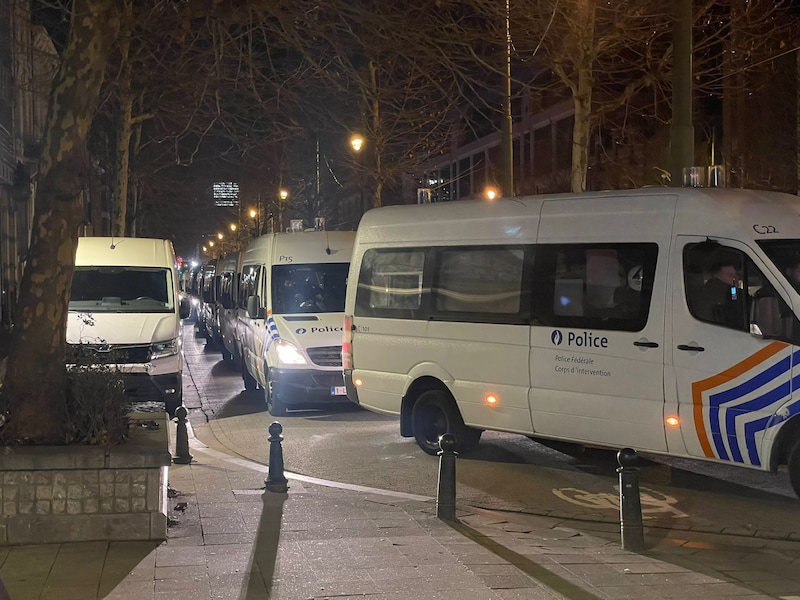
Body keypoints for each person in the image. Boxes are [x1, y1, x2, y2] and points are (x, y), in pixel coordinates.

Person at [697, 260, 742, 326]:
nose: (736, 278)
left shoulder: (701, 293)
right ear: (717, 276)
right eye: (731, 275)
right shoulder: (726, 292)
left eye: (736, 275)